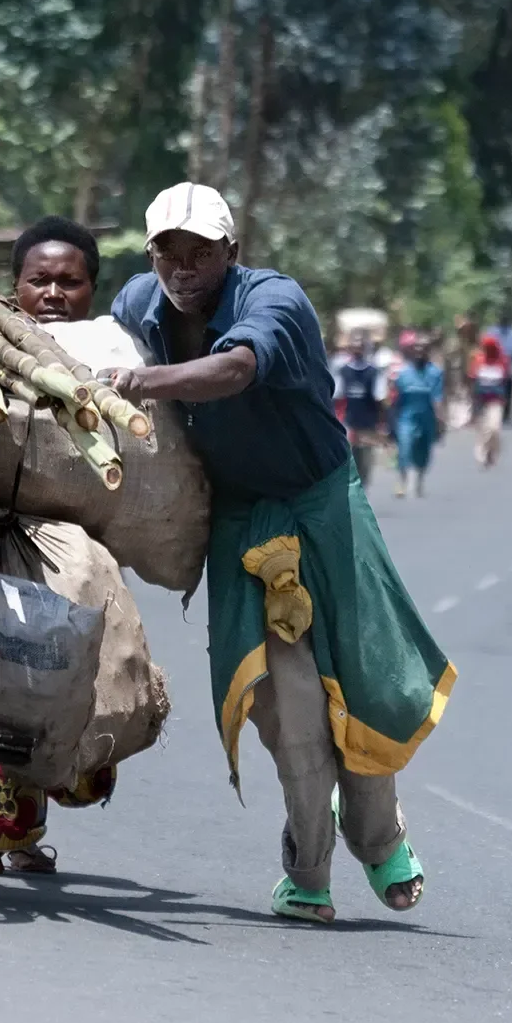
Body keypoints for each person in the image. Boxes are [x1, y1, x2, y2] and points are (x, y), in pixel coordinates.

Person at [106, 182, 450, 924]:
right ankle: (309, 870)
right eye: (169, 251)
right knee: (287, 704)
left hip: (323, 503)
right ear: (151, 255)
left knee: (362, 687)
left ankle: (380, 833)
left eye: (201, 251)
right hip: (240, 521)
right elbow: (93, 339)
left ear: (231, 252)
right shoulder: (139, 304)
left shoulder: (275, 301)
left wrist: (144, 379)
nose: (184, 267)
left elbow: (233, 372)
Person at [0, 215, 109, 878]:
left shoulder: (112, 354)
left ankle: (17, 828)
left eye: (69, 281)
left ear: (92, 289)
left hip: (65, 539)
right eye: (40, 279)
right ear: (14, 286)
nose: (53, 292)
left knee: (53, 672)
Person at [390, 334, 444, 498]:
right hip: (407, 417)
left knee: (423, 451)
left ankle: (419, 480)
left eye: (424, 349)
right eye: (417, 349)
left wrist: (441, 421)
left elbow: (438, 399)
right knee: (404, 448)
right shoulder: (404, 374)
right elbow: (395, 398)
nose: (420, 352)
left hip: (427, 417)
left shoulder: (435, 373)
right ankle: (402, 481)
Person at [337, 333, 386, 487]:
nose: (357, 349)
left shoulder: (374, 372)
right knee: (349, 461)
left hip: (368, 425)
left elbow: (380, 398)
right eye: (354, 346)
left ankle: (362, 491)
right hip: (348, 423)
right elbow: (337, 396)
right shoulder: (343, 371)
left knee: (365, 463)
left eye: (360, 346)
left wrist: (382, 423)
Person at [468, 334, 510, 469]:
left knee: (494, 428)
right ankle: (481, 452)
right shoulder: (478, 361)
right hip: (481, 401)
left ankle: (494, 452)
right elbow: (472, 379)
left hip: (496, 401)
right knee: (483, 429)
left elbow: (506, 380)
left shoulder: (503, 361)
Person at [483, 314, 512, 422]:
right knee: (490, 386)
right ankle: (492, 408)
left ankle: (506, 411)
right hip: (494, 363)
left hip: (508, 362)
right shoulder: (492, 332)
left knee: (509, 387)